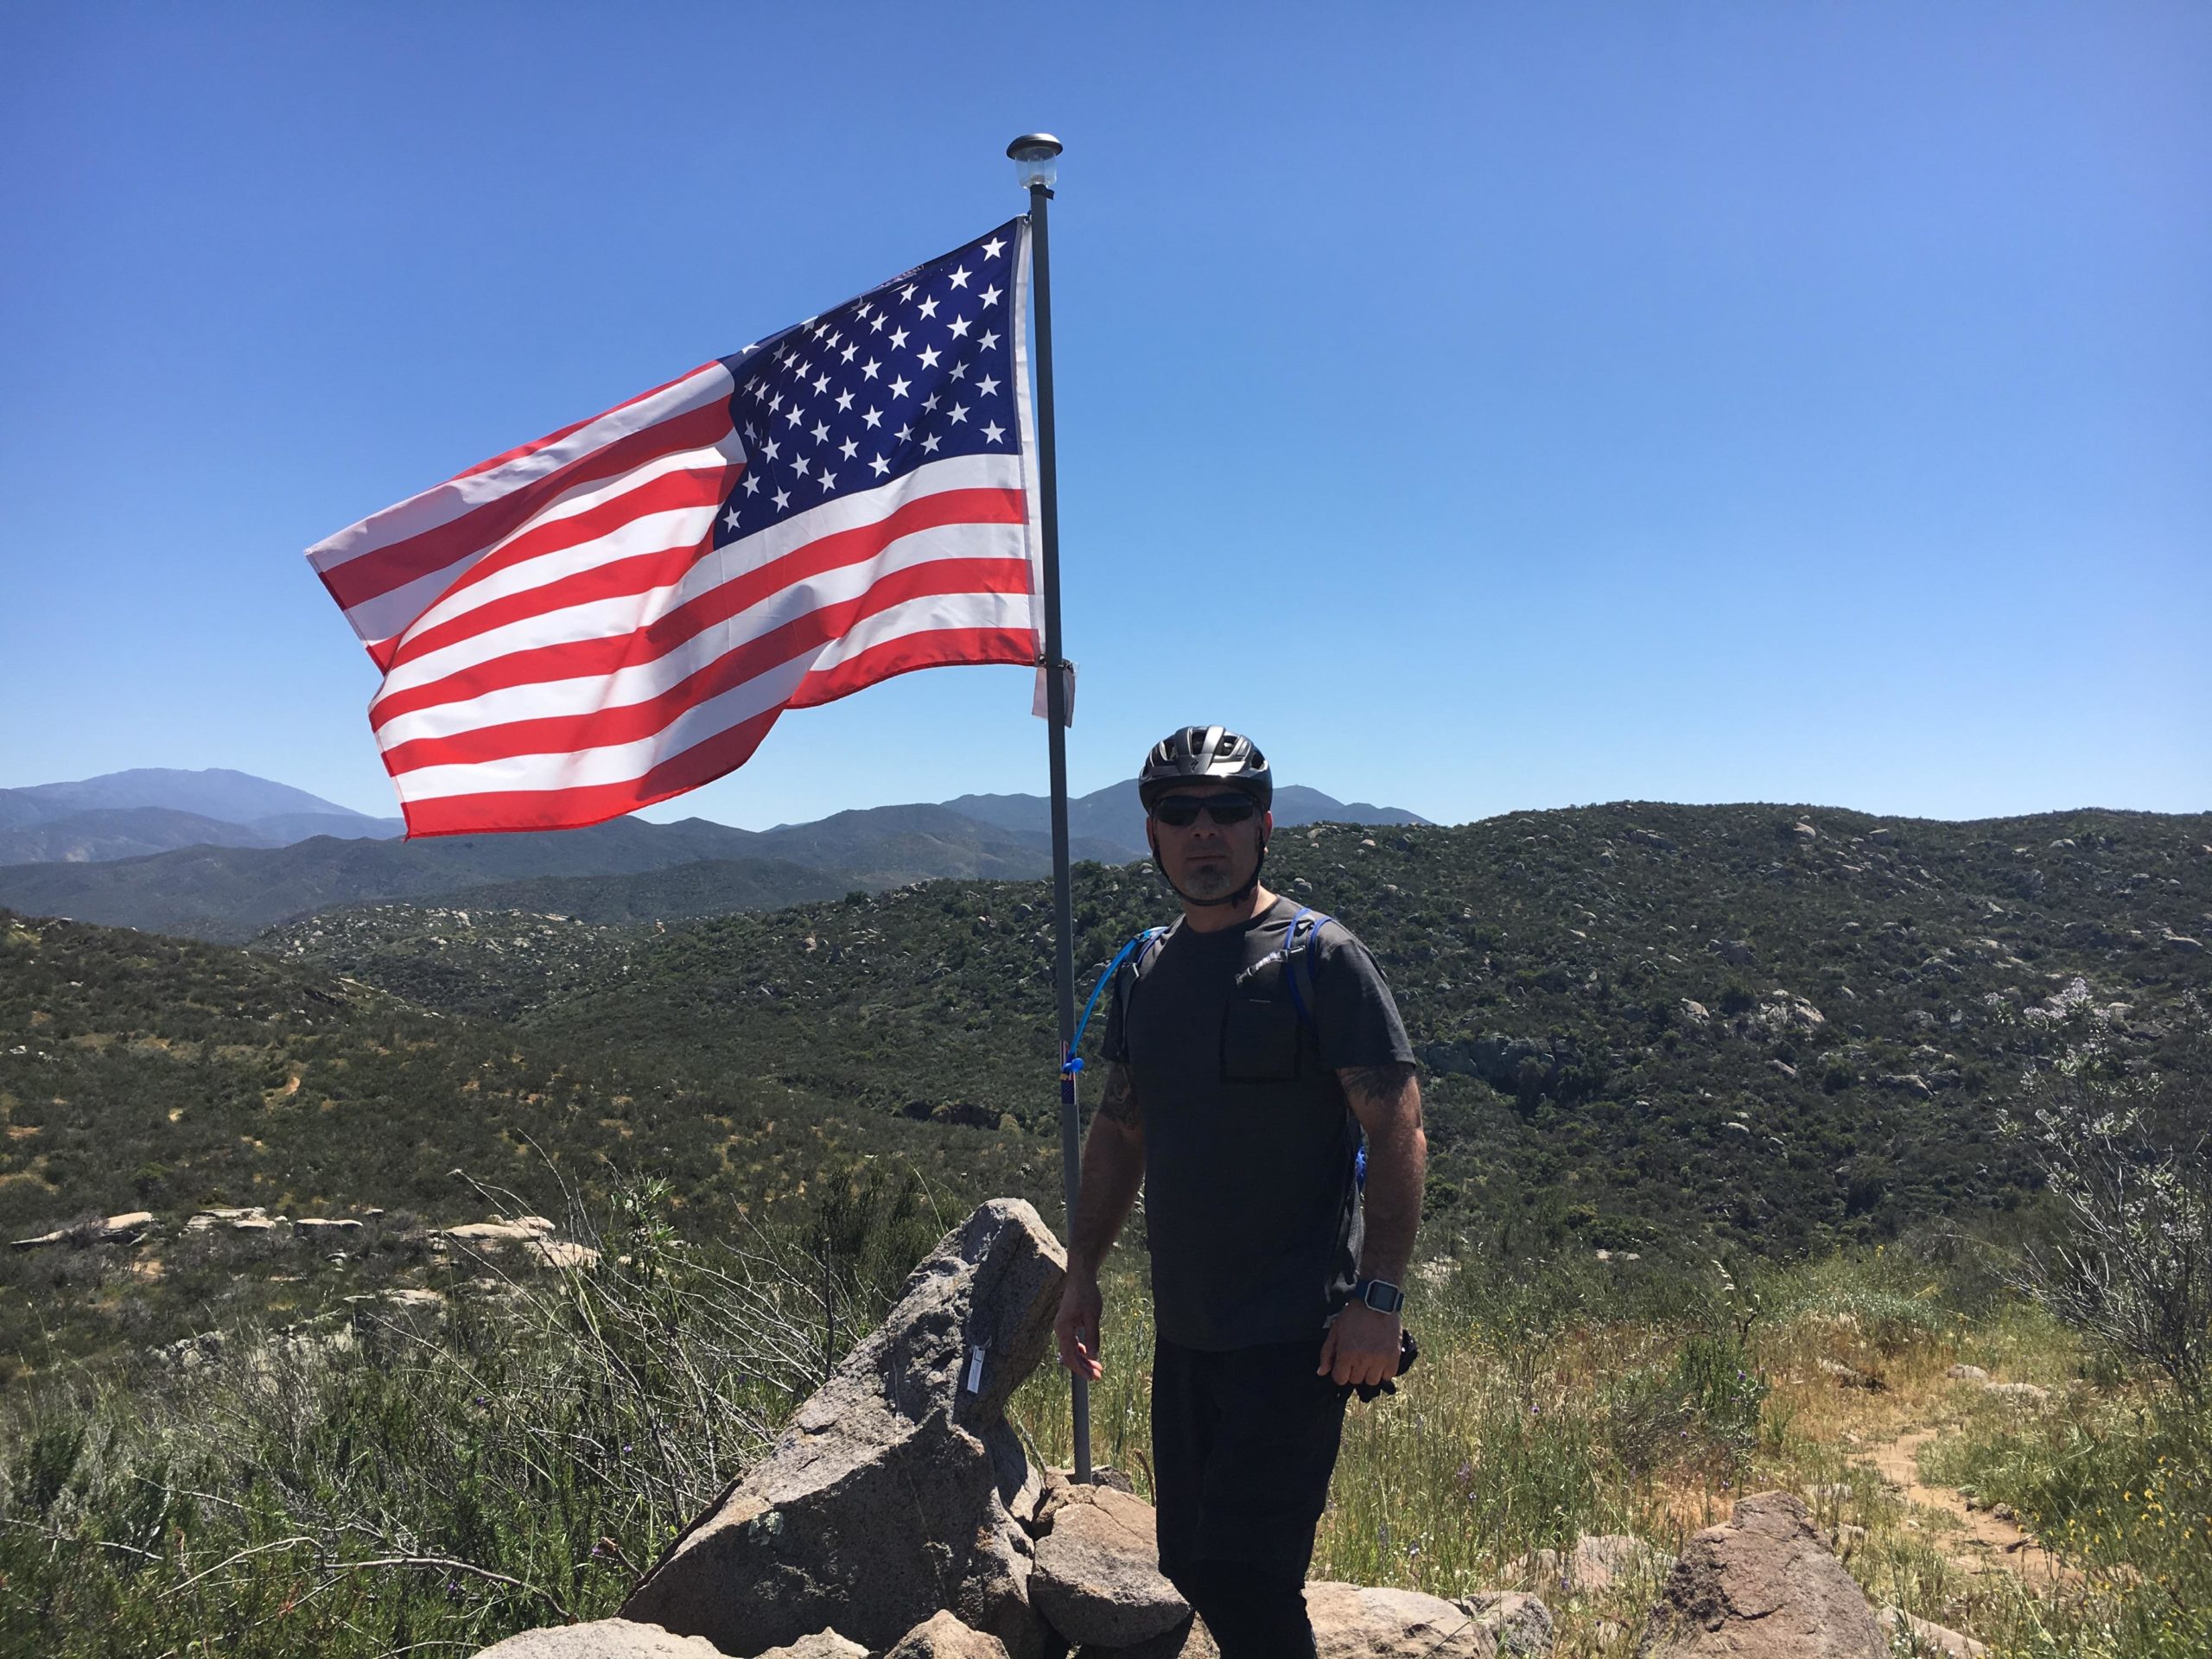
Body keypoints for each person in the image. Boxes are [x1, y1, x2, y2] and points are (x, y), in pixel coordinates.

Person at [1053, 725, 1427, 1658]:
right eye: (1178, 813)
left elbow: (1396, 1125)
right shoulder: (1146, 971)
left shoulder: (1319, 958)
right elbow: (1119, 1127)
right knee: (1186, 1559)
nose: (1202, 831)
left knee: (1246, 1576)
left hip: (1294, 1334)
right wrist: (1080, 1271)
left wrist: (1377, 1299)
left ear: (1263, 826)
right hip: (1188, 1332)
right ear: (1152, 835)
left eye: (1225, 810)